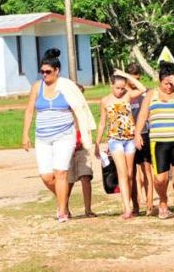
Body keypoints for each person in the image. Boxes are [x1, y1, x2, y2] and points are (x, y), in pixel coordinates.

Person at [22, 48, 94, 223]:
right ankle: (63, 201)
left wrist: (84, 132)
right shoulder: (37, 87)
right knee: (46, 176)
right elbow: (30, 109)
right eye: (42, 72)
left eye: (48, 72)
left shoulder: (66, 86)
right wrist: (25, 134)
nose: (44, 75)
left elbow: (79, 108)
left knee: (60, 172)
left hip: (64, 135)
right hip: (43, 137)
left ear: (56, 71)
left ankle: (62, 212)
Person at [134, 62, 174, 221]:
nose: (169, 87)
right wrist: (137, 134)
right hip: (159, 141)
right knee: (160, 178)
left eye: (171, 84)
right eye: (166, 83)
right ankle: (163, 201)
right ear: (159, 81)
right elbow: (142, 115)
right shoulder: (151, 94)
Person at [94, 71, 147, 219]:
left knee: (130, 175)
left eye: (123, 88)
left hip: (129, 139)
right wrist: (97, 142)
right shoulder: (105, 101)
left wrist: (126, 75)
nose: (120, 91)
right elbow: (102, 123)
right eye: (117, 88)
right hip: (115, 140)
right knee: (122, 173)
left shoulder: (128, 96)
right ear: (111, 85)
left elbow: (142, 89)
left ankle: (129, 203)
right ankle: (127, 208)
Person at [127, 62, 154, 215]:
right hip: (128, 136)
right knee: (131, 173)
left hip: (144, 134)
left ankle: (150, 204)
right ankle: (136, 206)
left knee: (146, 170)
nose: (133, 82)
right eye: (131, 79)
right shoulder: (124, 94)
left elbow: (142, 88)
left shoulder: (145, 93)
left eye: (135, 79)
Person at [66, 83, 96, 219]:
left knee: (85, 176)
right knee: (68, 181)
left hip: (83, 146)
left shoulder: (83, 110)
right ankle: (64, 208)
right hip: (68, 147)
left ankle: (88, 209)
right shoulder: (64, 110)